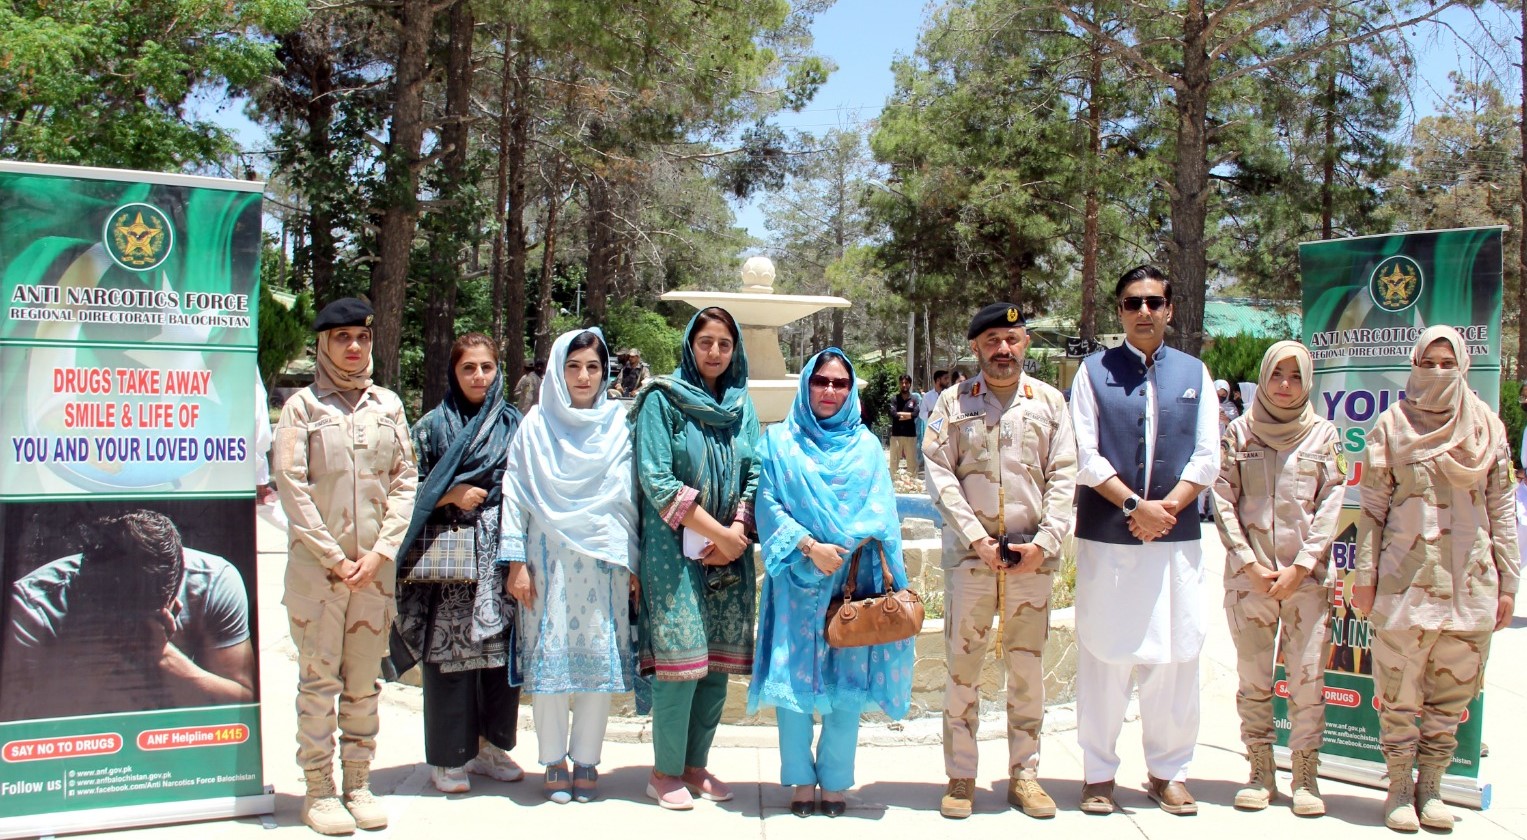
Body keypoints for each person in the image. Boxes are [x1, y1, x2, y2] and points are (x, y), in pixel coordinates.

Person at [1352, 325, 1518, 832]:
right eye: (1429, 362)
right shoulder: (1391, 425)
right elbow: (1372, 508)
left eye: (1449, 363)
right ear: (1415, 366)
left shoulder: (1487, 427)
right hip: (1405, 583)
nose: (1439, 372)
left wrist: (1509, 584)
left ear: (1464, 365)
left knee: (1451, 695)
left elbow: (1503, 508)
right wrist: (1364, 575)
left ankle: (1432, 787)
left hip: (1471, 585)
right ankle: (1400, 784)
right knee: (1399, 690)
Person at [1068, 266, 1219, 816]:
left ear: (1171, 309)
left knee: (1176, 656)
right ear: (1120, 311)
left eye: (1155, 301)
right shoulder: (1092, 373)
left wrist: (1167, 509)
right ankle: (1098, 774)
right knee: (1104, 656)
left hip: (1173, 541)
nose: (1145, 311)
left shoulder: (1195, 373)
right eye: (1134, 303)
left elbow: (1207, 455)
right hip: (1110, 537)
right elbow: (1085, 454)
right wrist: (1135, 506)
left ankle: (1169, 771)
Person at [924, 303, 1078, 820]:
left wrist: (1047, 542)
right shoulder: (953, 402)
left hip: (1032, 562)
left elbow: (1064, 476)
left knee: (1027, 670)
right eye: (992, 340)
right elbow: (939, 476)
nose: (1003, 349)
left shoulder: (1051, 403)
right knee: (962, 670)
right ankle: (961, 776)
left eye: (1012, 339)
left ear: (1026, 344)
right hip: (972, 563)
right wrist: (977, 539)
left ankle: (1025, 774)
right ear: (975, 347)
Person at [748, 349, 914, 818]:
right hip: (798, 580)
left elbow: (882, 510)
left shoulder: (865, 447)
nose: (829, 391)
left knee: (847, 685)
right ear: (806, 384)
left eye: (840, 384)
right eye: (821, 381)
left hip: (852, 581)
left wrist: (840, 545)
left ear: (851, 390)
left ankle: (837, 781)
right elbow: (768, 503)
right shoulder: (779, 442)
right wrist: (809, 547)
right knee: (793, 678)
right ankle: (801, 780)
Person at [273, 297, 417, 835]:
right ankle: (318, 790)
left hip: (373, 576)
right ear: (323, 345)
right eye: (341, 339)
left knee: (363, 683)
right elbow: (292, 487)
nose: (353, 348)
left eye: (361, 337)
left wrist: (380, 553)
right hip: (319, 576)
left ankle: (357, 781)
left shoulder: (388, 405)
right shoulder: (303, 408)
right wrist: (335, 556)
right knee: (318, 683)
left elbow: (405, 481)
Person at [500, 328, 639, 804]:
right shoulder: (535, 426)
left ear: (605, 374)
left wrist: (632, 561)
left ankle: (586, 760)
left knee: (596, 662)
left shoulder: (616, 425)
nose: (583, 376)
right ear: (558, 370)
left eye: (593, 367)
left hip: (602, 562)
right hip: (547, 560)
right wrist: (514, 561)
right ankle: (553, 760)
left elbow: (627, 501)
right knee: (550, 660)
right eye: (573, 366)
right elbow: (514, 494)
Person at [632, 307, 760, 811]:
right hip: (673, 554)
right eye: (705, 342)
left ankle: (694, 765)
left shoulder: (740, 405)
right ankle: (663, 772)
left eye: (723, 344)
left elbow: (754, 471)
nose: (714, 353)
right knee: (680, 664)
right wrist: (716, 532)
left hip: (728, 553)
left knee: (715, 669)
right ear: (690, 345)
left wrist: (737, 532)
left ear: (735, 350)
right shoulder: (661, 402)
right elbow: (657, 480)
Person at [1211, 341, 1346, 816]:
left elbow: (1333, 503)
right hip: (1251, 582)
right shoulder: (1240, 433)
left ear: (1307, 380)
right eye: (1277, 375)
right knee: (1254, 679)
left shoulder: (1324, 436)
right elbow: (1222, 499)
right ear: (1263, 379)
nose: (1285, 386)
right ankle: (1260, 767)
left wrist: (1303, 566)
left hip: (1304, 584)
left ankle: (1306, 774)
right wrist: (1247, 562)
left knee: (1308, 679)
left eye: (1295, 376)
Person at [394, 332, 525, 794]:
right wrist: (449, 493)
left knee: (496, 656)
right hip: (448, 554)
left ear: (498, 370)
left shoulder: (514, 424)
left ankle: (492, 745)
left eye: (486, 367)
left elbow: (529, 486)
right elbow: (405, 485)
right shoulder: (432, 426)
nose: (479, 376)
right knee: (448, 655)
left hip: (499, 554)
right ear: (453, 372)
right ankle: (449, 757)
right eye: (468, 368)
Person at [3, 510, 255, 721]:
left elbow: (244, 706)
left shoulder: (212, 582)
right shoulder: (31, 608)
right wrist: (104, 652)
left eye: (141, 618)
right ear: (83, 585)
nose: (126, 630)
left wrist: (161, 655)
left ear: (174, 597)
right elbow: (21, 727)